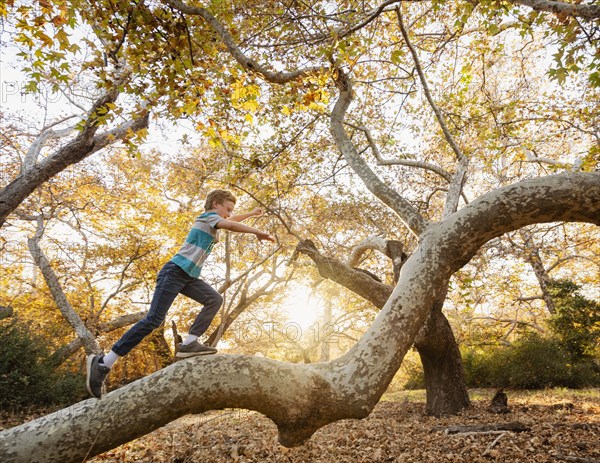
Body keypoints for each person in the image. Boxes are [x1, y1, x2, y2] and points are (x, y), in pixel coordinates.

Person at [86, 189, 275, 398]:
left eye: (231, 211)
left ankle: (188, 343)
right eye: (227, 209)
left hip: (188, 276)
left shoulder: (215, 218)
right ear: (215, 203)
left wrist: (251, 214)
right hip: (174, 272)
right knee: (153, 320)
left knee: (214, 299)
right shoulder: (207, 217)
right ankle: (104, 363)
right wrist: (256, 231)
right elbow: (229, 224)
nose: (229, 214)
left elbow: (231, 220)